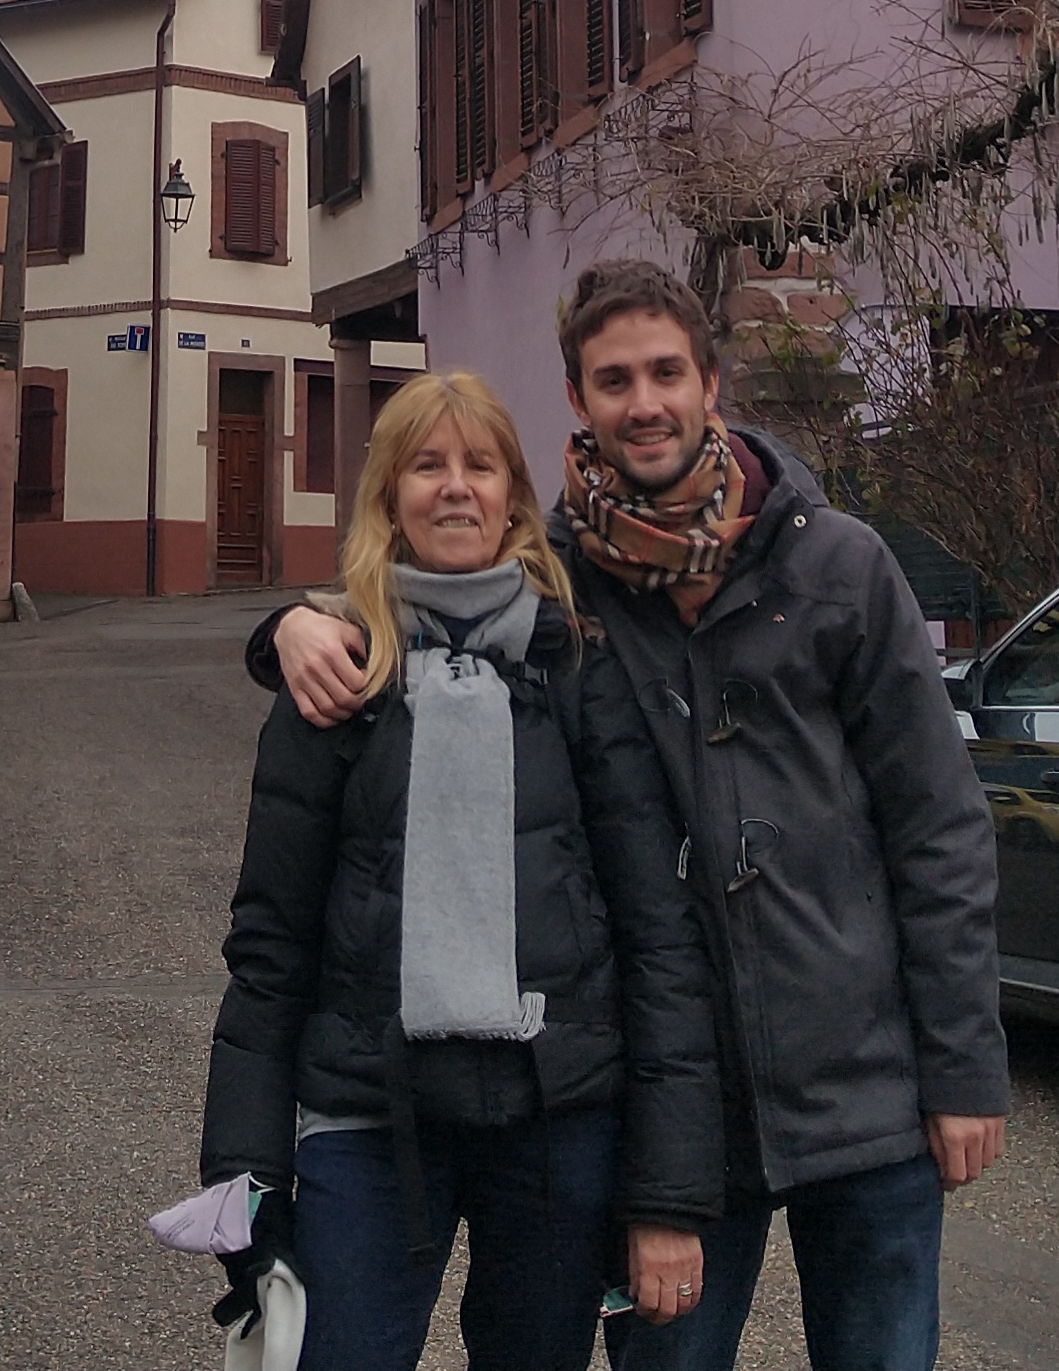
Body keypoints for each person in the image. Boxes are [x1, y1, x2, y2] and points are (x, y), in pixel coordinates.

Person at [264, 264, 1005, 1371]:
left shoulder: (836, 563)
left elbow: (938, 827)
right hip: (681, 1113)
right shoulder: (564, 584)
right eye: (615, 381)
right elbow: (424, 598)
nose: (644, 402)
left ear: (712, 382)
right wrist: (292, 625)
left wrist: (964, 1068)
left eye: (667, 373)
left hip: (865, 1083)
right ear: (578, 399)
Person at [204, 369, 722, 1371]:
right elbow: (270, 945)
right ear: (389, 498)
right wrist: (244, 1172)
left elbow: (657, 936)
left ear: (513, 499)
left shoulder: (577, 667)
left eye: (479, 466)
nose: (454, 487)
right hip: (367, 1115)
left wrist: (667, 1187)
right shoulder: (335, 676)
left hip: (557, 1122)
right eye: (426, 466)